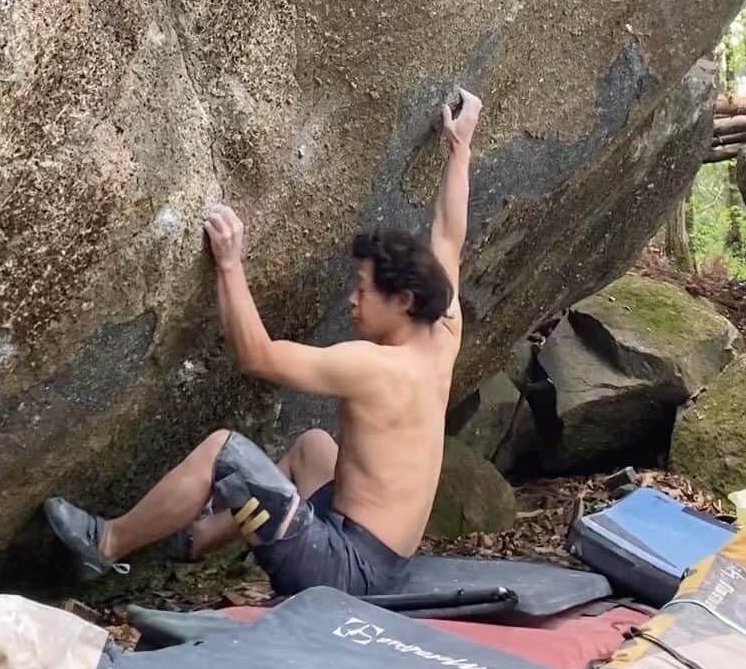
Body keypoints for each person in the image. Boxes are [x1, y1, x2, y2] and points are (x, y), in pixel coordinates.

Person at [44, 89, 482, 598]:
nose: (352, 301)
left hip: (343, 573)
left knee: (223, 451)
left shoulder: (375, 367)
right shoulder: (443, 331)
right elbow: (448, 237)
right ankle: (200, 536)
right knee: (315, 449)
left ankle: (107, 545)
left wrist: (230, 266)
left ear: (403, 299)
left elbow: (258, 356)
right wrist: (460, 148)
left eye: (363, 290)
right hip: (383, 565)